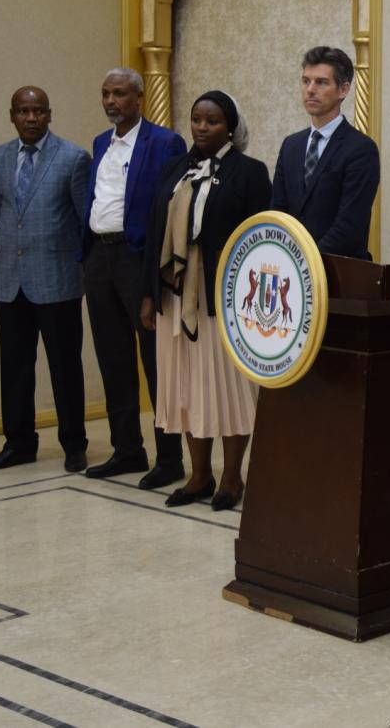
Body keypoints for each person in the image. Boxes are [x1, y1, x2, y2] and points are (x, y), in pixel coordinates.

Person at [141, 90, 272, 511]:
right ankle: (199, 476)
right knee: (186, 388)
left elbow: (261, 240)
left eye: (212, 121)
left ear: (230, 127)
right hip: (176, 294)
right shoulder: (174, 169)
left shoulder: (250, 173)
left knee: (229, 390)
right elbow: (155, 231)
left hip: (223, 298)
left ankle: (232, 478)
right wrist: (149, 294)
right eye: (197, 119)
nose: (201, 127)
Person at [81, 68, 188, 488]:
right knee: (113, 358)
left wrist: (153, 280)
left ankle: (169, 458)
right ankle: (127, 449)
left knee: (155, 362)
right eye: (106, 93)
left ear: (139, 98)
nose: (111, 101)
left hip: (138, 260)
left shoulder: (164, 143)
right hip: (99, 258)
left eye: (120, 94)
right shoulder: (100, 143)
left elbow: (170, 210)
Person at [0, 87, 91, 472]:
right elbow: (2, 214)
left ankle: (74, 444)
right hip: (10, 280)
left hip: (57, 280)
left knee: (64, 366)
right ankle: (19, 443)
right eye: (24, 111)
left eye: (39, 111)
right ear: (12, 115)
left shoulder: (73, 158)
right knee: (14, 366)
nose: (31, 118)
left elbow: (83, 220)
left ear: (49, 114)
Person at [271, 46, 379, 259]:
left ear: (343, 90)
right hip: (291, 269)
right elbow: (278, 212)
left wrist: (306, 262)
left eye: (321, 82)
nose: (310, 90)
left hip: (339, 269)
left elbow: (349, 225)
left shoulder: (361, 149)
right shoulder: (291, 146)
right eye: (306, 81)